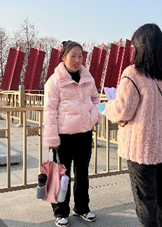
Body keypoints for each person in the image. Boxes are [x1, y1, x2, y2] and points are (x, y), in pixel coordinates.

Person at [104, 23, 162, 227]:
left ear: (140, 46)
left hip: (142, 147)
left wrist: (105, 108)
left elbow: (123, 110)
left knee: (145, 199)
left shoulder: (133, 74)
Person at [43, 40, 102, 227]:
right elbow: (50, 110)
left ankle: (82, 208)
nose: (77, 60)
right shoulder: (55, 81)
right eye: (73, 56)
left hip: (84, 133)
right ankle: (60, 212)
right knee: (60, 174)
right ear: (63, 57)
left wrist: (93, 116)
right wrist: (52, 137)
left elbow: (96, 98)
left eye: (80, 56)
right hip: (63, 137)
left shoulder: (88, 78)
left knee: (82, 173)